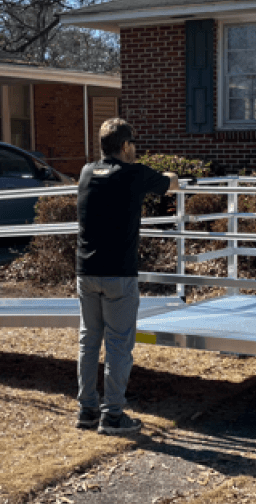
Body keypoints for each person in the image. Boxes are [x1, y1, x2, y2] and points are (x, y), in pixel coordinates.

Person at [75, 118, 178, 435]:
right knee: (118, 345)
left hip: (86, 272)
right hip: (118, 274)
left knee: (89, 341)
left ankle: (87, 410)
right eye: (133, 144)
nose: (135, 149)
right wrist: (169, 174)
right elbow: (171, 183)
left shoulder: (86, 172)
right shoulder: (134, 174)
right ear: (124, 146)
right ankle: (113, 416)